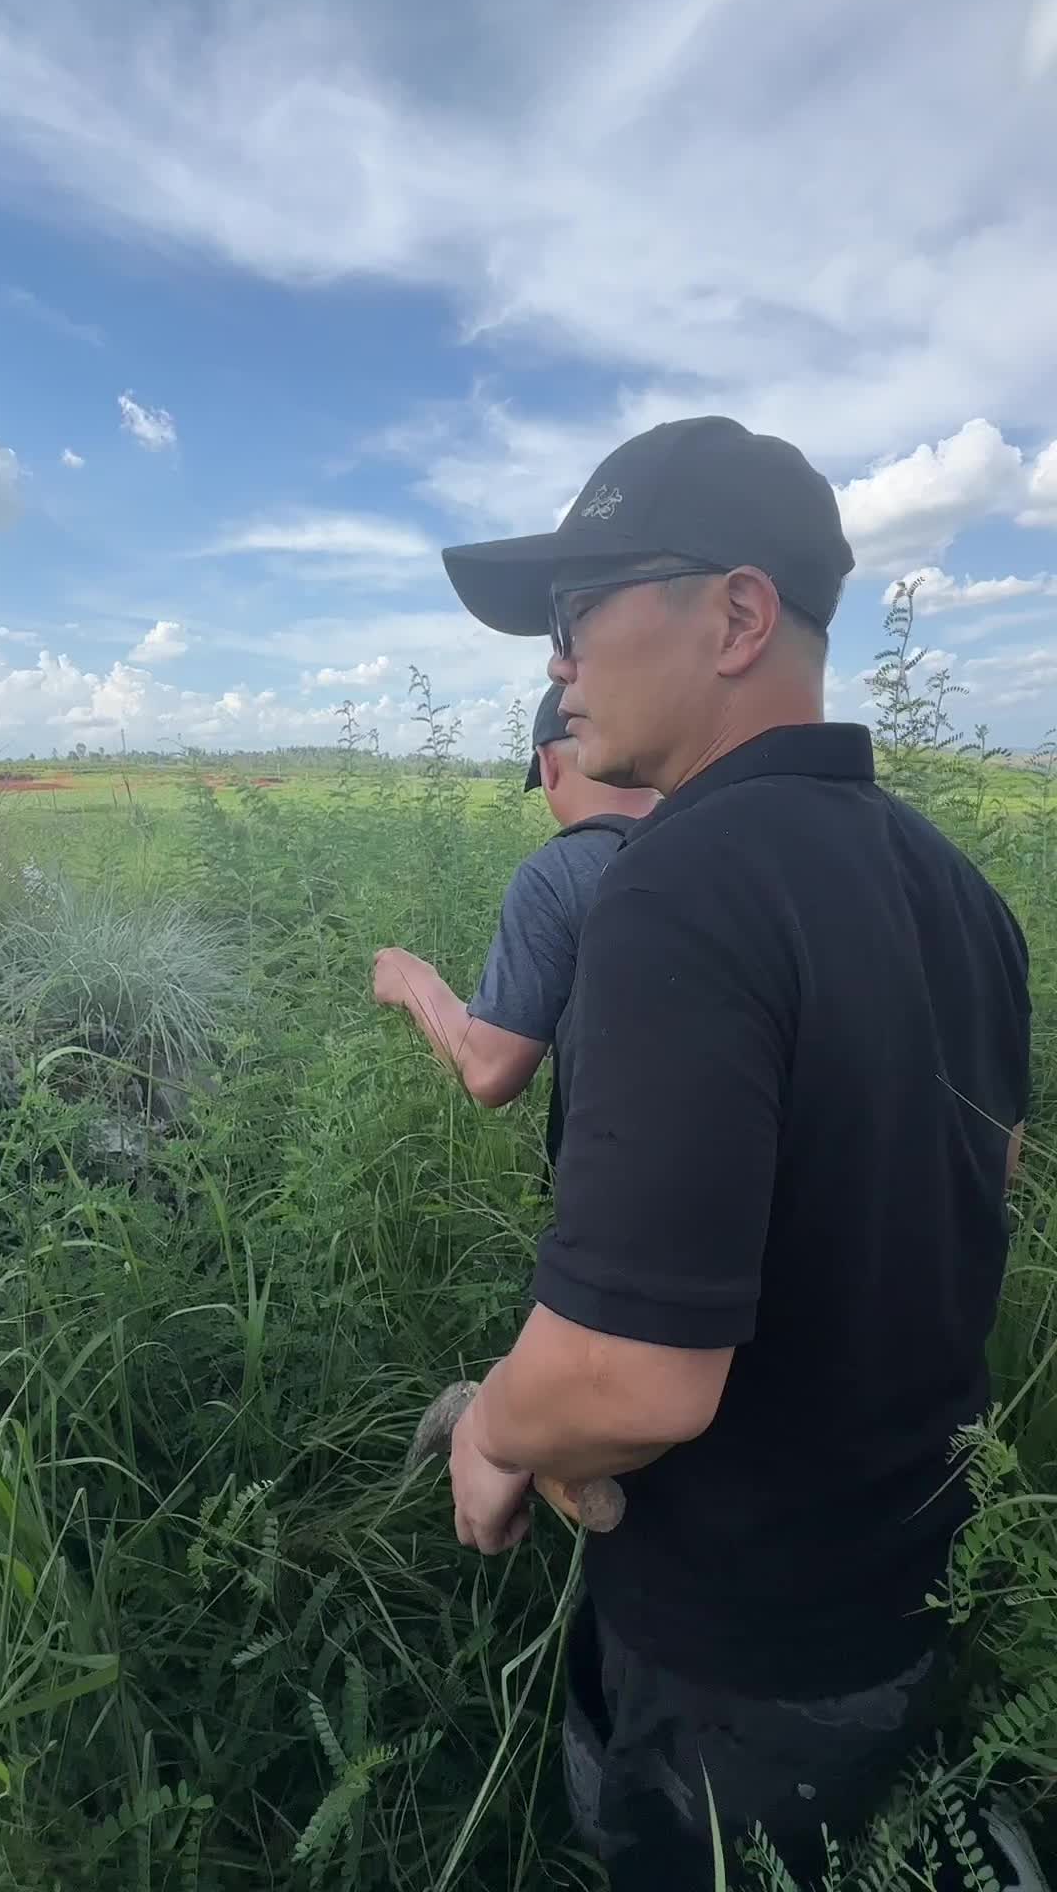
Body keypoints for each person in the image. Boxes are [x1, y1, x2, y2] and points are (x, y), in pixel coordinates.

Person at [436, 417, 1037, 1889]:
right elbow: (980, 1205)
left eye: (582, 611)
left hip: (732, 1647)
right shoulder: (961, 894)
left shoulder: (672, 890)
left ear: (739, 613)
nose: (560, 660)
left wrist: (495, 1432)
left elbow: (631, 1375)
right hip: (911, 1584)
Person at [372, 683, 655, 1161]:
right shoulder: (716, 841)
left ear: (548, 765)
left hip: (619, 1200)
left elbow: (491, 1071)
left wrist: (414, 983)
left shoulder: (558, 875)